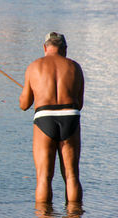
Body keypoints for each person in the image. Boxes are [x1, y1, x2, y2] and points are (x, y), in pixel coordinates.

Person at [19, 32, 84, 203]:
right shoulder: (75, 67)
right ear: (65, 49)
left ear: (45, 47)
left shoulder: (34, 66)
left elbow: (24, 105)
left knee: (43, 177)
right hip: (70, 116)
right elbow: (80, 103)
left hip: (44, 117)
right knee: (71, 176)